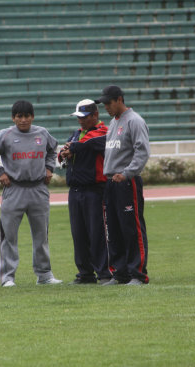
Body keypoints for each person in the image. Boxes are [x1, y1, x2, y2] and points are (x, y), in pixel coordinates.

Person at [0, 100, 63, 287]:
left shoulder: (42, 133)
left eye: (27, 116)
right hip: (14, 189)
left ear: (32, 117)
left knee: (41, 235)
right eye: (19, 116)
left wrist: (50, 167)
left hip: (38, 189)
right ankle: (7, 277)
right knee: (9, 236)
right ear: (13, 118)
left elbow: (53, 150)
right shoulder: (6, 135)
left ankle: (44, 275)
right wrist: (0, 173)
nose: (23, 120)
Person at [96, 85, 150, 285]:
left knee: (131, 228)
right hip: (111, 182)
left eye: (109, 103)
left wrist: (127, 174)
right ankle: (120, 273)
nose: (106, 107)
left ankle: (138, 273)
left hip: (127, 182)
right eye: (104, 104)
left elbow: (142, 151)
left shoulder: (134, 121)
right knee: (114, 229)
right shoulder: (113, 122)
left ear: (120, 99)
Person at [58, 99, 112, 284]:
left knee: (97, 233)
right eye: (79, 117)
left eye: (84, 117)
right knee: (78, 233)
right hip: (75, 191)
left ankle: (104, 273)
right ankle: (85, 273)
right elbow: (63, 152)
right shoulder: (76, 134)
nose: (80, 121)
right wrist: (65, 151)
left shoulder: (103, 132)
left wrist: (72, 148)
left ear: (95, 115)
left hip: (95, 191)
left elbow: (91, 142)